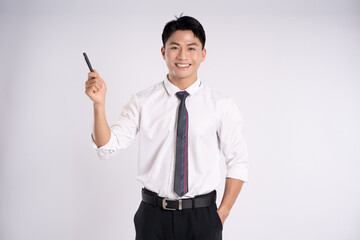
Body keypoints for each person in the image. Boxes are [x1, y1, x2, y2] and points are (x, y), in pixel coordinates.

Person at [85, 15, 249, 240]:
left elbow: (237, 161)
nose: (183, 56)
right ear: (163, 52)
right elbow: (106, 148)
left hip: (202, 217)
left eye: (191, 48)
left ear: (203, 54)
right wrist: (99, 104)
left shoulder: (221, 105)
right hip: (153, 218)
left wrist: (222, 213)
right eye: (175, 47)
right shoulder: (142, 101)